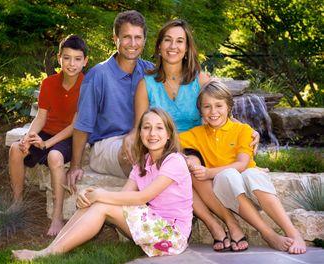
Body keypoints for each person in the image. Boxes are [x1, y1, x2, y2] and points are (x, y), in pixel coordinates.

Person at [123, 19, 251, 252]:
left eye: (180, 41)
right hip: (160, 146)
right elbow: (139, 125)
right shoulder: (146, 84)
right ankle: (218, 225)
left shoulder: (200, 80)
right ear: (159, 46)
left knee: (190, 166)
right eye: (168, 40)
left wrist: (249, 133)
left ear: (187, 48)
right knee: (181, 165)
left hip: (192, 145)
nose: (173, 46)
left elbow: (222, 112)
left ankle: (226, 224)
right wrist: (130, 139)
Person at [12, 108, 193, 260]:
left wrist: (99, 195)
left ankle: (47, 253)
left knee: (100, 205)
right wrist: (93, 194)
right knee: (98, 202)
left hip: (172, 236)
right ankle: (51, 249)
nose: (152, 134)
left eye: (159, 128)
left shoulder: (174, 161)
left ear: (169, 134)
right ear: (140, 134)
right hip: (153, 225)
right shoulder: (142, 162)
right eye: (147, 128)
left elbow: (142, 197)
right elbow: (123, 196)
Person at [179, 79, 306, 254]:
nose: (213, 112)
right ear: (200, 110)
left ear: (229, 107)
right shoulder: (195, 134)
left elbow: (242, 164)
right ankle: (267, 233)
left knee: (251, 174)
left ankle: (292, 231)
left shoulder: (244, 130)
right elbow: (169, 143)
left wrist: (208, 172)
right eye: (207, 107)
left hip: (251, 184)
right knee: (227, 176)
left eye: (219, 106)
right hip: (227, 188)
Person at [8, 35, 88, 236]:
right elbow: (41, 118)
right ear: (59, 58)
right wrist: (29, 137)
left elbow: (75, 125)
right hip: (47, 132)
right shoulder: (49, 83)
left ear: (85, 61)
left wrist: (47, 144)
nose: (72, 64)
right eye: (67, 58)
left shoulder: (87, 86)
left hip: (71, 136)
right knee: (16, 149)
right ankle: (17, 203)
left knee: (54, 156)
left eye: (77, 59)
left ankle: (57, 216)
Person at [66, 10, 153, 190]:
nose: (133, 43)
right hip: (107, 145)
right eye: (127, 37)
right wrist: (75, 165)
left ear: (144, 40)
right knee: (138, 154)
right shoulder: (98, 75)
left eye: (138, 37)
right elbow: (83, 125)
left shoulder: (151, 71)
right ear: (115, 38)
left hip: (141, 137)